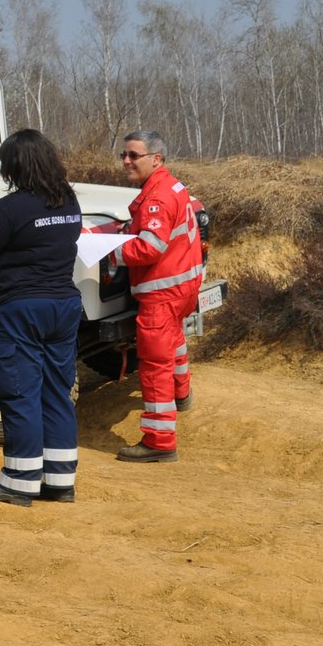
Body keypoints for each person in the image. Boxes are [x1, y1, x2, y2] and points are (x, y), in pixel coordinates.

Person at [0, 129, 83, 506]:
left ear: (14, 167)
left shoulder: (12, 207)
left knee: (20, 394)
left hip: (20, 309)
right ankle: (60, 480)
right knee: (56, 393)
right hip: (63, 306)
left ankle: (19, 480)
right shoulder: (68, 200)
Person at [111, 130, 204, 463]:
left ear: (156, 159)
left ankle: (159, 441)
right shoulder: (172, 186)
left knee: (153, 365)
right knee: (175, 342)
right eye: (124, 154)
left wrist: (111, 254)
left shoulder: (156, 197)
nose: (126, 161)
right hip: (183, 286)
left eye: (133, 155)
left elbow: (149, 247)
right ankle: (182, 394)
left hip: (161, 291)